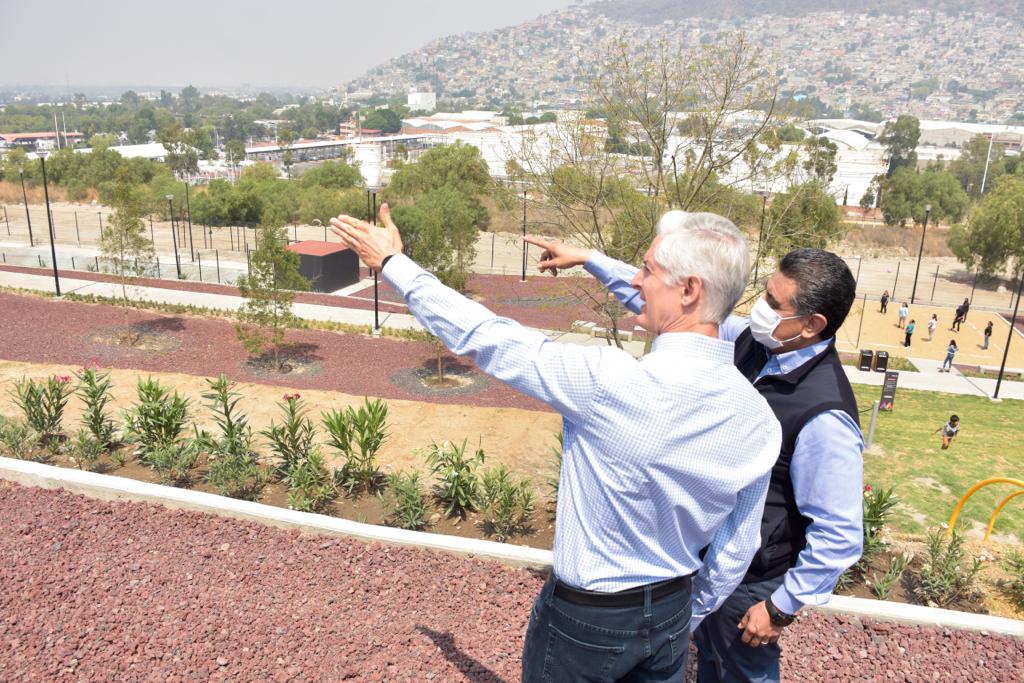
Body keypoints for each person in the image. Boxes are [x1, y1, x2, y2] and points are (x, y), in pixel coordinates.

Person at [333, 208, 781, 683]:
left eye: (648, 270)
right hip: (672, 609)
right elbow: (736, 548)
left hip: (587, 621)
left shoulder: (609, 382)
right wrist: (688, 615)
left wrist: (394, 263)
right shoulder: (758, 419)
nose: (637, 278)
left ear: (689, 290)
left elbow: (485, 337)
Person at [527, 237, 865, 683]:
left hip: (751, 584)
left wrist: (780, 608)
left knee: (739, 673)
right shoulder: (757, 343)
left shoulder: (826, 415)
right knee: (707, 665)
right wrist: (591, 260)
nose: (759, 307)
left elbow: (840, 534)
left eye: (771, 300)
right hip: (709, 561)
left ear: (811, 324)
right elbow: (674, 311)